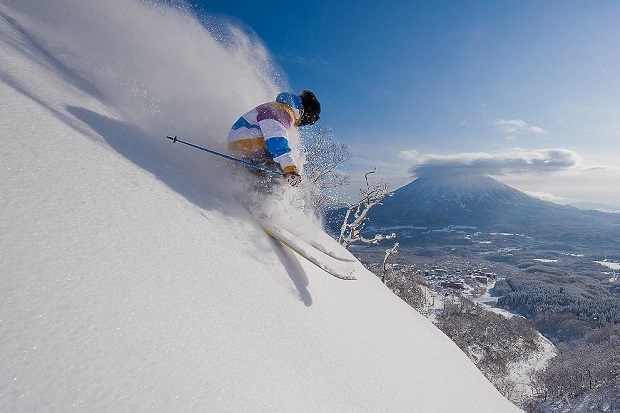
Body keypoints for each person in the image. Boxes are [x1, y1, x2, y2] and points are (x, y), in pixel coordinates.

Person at [226, 90, 321, 190]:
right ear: (306, 110)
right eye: (311, 119)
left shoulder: (280, 108)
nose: (306, 124)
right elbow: (275, 138)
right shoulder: (283, 111)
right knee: (277, 175)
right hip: (248, 142)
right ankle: (257, 199)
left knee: (269, 172)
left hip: (243, 144)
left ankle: (243, 186)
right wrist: (289, 167)